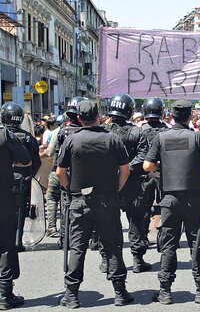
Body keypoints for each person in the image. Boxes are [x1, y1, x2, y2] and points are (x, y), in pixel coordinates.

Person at [56, 99, 134, 308]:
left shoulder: (71, 140)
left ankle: (71, 295)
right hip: (107, 200)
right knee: (112, 246)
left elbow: (60, 172)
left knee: (77, 248)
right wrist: (115, 190)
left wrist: (69, 190)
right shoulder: (113, 139)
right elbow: (125, 170)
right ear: (99, 115)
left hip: (79, 201)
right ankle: (120, 292)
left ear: (79, 118)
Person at [143, 100, 200, 305]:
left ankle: (165, 291)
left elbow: (147, 165)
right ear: (190, 115)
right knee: (197, 243)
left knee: (168, 245)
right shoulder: (198, 137)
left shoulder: (161, 138)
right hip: (193, 198)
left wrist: (163, 164)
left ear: (171, 116)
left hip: (169, 199)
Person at [103, 93, 151, 273]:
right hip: (131, 182)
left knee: (106, 221)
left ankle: (107, 260)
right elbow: (143, 155)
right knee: (135, 221)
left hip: (108, 183)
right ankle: (137, 260)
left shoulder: (103, 131)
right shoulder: (137, 131)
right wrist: (127, 169)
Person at [1, 103, 41, 252]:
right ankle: (18, 241)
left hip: (4, 181)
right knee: (21, 211)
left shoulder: (3, 136)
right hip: (23, 182)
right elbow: (36, 162)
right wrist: (29, 176)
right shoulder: (29, 138)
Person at [0, 121, 31, 310]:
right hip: (3, 197)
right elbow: (26, 159)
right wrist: (9, 162)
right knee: (5, 245)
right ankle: (4, 293)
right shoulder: (4, 134)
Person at [55, 97, 86, 248]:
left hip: (67, 174)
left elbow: (58, 156)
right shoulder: (87, 132)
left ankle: (64, 238)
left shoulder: (63, 132)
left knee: (66, 207)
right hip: (84, 175)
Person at [140, 97, 169, 245]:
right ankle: (164, 236)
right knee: (165, 204)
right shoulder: (167, 129)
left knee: (145, 206)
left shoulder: (139, 130)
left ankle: (143, 236)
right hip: (163, 172)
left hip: (145, 173)